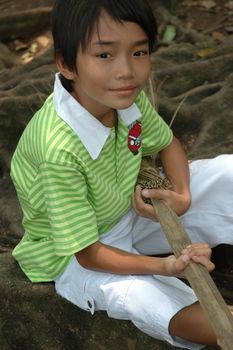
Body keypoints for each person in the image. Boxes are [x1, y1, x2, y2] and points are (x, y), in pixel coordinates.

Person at [10, 0, 233, 348]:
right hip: (76, 253)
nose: (126, 70)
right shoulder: (58, 150)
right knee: (149, 300)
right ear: (66, 64)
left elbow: (167, 144)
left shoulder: (125, 98)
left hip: (126, 208)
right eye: (104, 55)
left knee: (227, 174)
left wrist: (182, 195)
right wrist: (166, 266)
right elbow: (87, 252)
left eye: (139, 52)